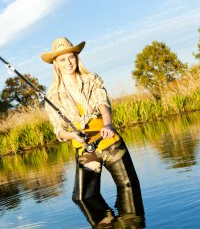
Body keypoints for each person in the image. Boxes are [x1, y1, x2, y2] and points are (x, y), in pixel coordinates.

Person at [41, 37, 144, 227]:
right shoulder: (51, 96)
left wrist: (108, 124)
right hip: (85, 151)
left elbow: (103, 104)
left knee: (129, 187)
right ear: (55, 63)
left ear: (77, 57)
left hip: (109, 142)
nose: (68, 63)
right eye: (62, 59)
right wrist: (72, 135)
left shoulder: (92, 79)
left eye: (70, 57)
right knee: (83, 197)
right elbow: (59, 130)